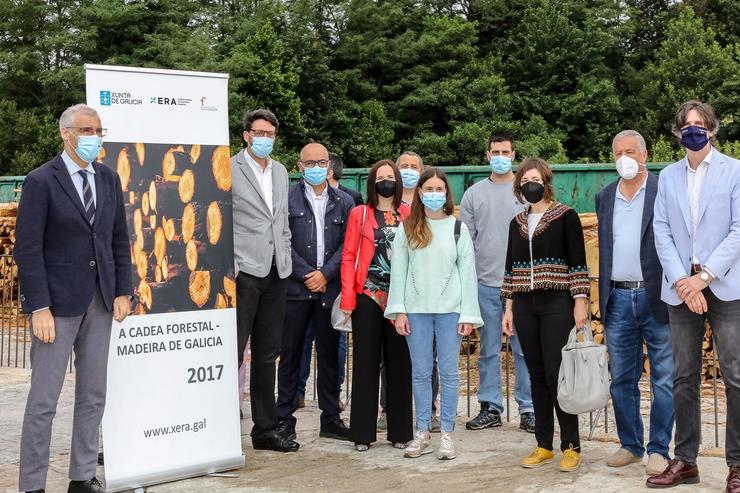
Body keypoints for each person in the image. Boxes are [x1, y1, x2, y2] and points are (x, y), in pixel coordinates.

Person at [15, 104, 132, 493]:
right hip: (56, 307)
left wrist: (122, 291)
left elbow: (118, 239)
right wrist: (39, 306)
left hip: (100, 302)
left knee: (93, 395)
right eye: (86, 130)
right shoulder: (41, 181)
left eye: (98, 130)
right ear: (65, 133)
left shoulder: (109, 179)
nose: (94, 137)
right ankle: (32, 484)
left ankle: (82, 477)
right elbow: (28, 249)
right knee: (44, 400)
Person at [649, 100, 740, 492]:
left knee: (736, 377)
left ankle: (737, 465)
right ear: (677, 133)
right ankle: (685, 460)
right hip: (680, 290)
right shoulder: (667, 177)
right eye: (686, 125)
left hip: (725, 284)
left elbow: (739, 230)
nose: (693, 130)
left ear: (712, 130)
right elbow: (662, 231)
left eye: (699, 125)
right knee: (683, 378)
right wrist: (682, 281)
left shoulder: (734, 171)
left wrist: (704, 277)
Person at [386, 167, 483, 461]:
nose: (433, 194)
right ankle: (423, 432)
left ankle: (448, 434)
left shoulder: (458, 229)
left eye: (439, 189)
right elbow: (399, 271)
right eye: (428, 189)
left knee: (450, 374)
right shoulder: (407, 228)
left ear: (446, 193)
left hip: (450, 312)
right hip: (416, 311)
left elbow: (467, 273)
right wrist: (398, 310)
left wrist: (468, 313)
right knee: (420, 373)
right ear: (419, 193)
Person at [501, 157, 590, 472]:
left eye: (535, 179)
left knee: (557, 375)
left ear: (546, 181)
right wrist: (509, 307)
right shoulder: (517, 222)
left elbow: (578, 264)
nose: (530, 184)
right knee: (534, 374)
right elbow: (510, 269)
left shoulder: (566, 216)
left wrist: (580, 301)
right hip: (525, 304)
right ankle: (543, 444)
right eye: (525, 181)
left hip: (557, 302)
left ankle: (571, 445)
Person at [595, 130, 674, 476]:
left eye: (630, 151)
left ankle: (658, 449)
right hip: (617, 297)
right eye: (618, 152)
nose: (624, 158)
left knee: (664, 379)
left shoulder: (664, 191)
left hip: (656, 295)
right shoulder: (605, 196)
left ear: (645, 154)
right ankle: (630, 444)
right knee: (621, 379)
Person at [276, 143, 355, 443]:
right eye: (310, 163)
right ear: (299, 166)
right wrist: (308, 274)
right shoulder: (285, 199)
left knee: (330, 356)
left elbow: (347, 246)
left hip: (328, 290)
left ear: (329, 167)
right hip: (296, 290)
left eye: (321, 162)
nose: (316, 167)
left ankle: (331, 418)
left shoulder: (345, 202)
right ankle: (284, 419)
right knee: (291, 355)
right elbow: (282, 240)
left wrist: (326, 274)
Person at [230, 109, 298, 452]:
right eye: (259, 133)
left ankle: (265, 430)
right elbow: (220, 216)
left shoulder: (281, 171)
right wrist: (232, 265)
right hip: (244, 272)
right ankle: (222, 427)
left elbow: (281, 220)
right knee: (233, 351)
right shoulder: (228, 167)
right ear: (246, 136)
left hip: (276, 271)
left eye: (270, 133)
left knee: (268, 353)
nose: (265, 139)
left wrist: (283, 254)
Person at [460, 131, 535, 434]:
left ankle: (529, 408)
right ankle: (490, 406)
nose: (501, 158)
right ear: (487, 155)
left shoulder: (527, 192)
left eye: (506, 152)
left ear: (514, 155)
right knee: (489, 350)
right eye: (496, 152)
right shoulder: (473, 194)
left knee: (524, 350)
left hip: (523, 287)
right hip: (487, 284)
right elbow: (466, 244)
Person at [339, 159, 413, 452]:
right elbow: (348, 256)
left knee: (400, 364)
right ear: (372, 183)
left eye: (390, 177)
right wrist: (347, 299)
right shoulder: (360, 213)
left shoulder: (409, 213)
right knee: (366, 363)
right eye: (380, 177)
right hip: (367, 296)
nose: (386, 182)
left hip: (400, 299)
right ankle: (362, 433)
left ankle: (400, 431)